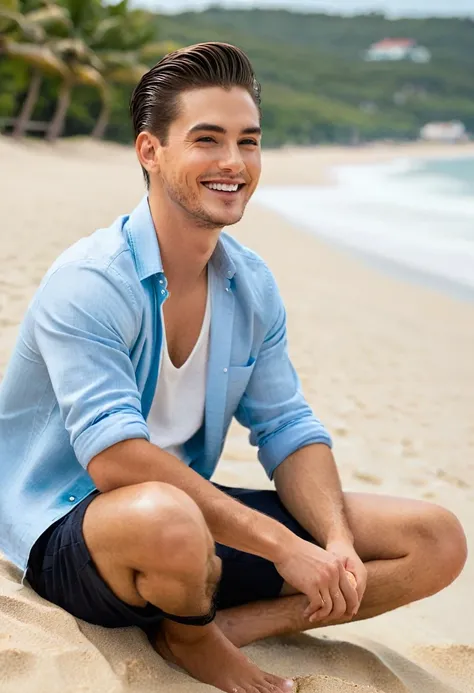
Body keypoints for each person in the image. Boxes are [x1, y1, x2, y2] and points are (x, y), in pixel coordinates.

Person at [0, 42, 467, 693]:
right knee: (168, 515)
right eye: (207, 139)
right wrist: (284, 547)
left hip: (189, 532)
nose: (233, 162)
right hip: (72, 529)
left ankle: (234, 626)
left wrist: (332, 540)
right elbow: (115, 457)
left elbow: (287, 426)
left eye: (248, 141)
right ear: (150, 151)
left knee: (434, 537)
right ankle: (191, 636)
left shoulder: (249, 283)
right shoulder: (90, 280)